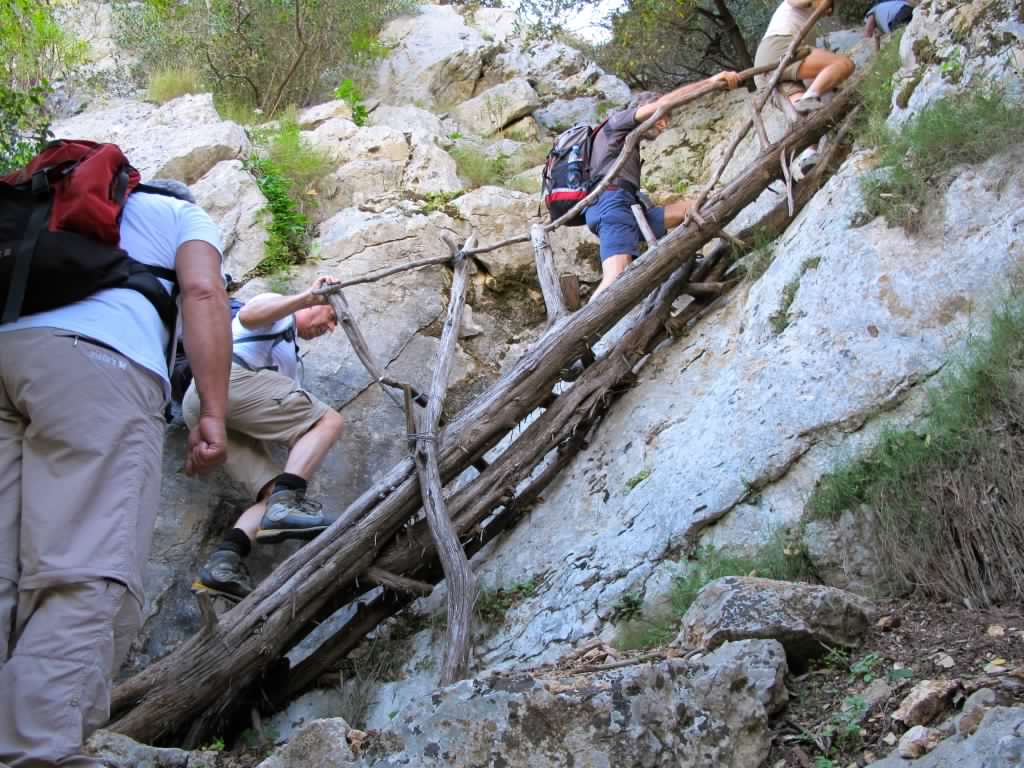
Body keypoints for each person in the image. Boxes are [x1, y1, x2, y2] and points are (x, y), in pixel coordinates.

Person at [0, 182, 230, 766]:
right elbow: (202, 291)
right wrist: (213, 413)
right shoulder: (180, 212)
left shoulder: (41, 213)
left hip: (9, 351)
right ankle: (38, 753)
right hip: (100, 362)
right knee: (85, 566)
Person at [184, 277, 345, 600]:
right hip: (228, 380)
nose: (330, 329)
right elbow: (249, 314)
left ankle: (223, 563)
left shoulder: (289, 359)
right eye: (331, 318)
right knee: (329, 420)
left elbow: (287, 422)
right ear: (319, 303)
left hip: (207, 406)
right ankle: (286, 507)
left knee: (272, 494)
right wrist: (304, 298)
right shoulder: (281, 314)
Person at [585, 71, 741, 297]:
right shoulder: (618, 121)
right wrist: (711, 82)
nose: (665, 123)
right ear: (643, 110)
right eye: (662, 116)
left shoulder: (620, 139)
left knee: (692, 207)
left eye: (668, 118)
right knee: (616, 277)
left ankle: (703, 258)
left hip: (624, 208)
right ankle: (585, 330)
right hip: (611, 205)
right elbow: (666, 102)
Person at [754, 0, 855, 113]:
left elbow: (817, 77)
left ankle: (805, 105)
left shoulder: (805, 24)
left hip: (764, 66)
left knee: (803, 111)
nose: (829, 10)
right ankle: (809, 98)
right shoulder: (796, 9)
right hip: (779, 47)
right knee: (844, 64)